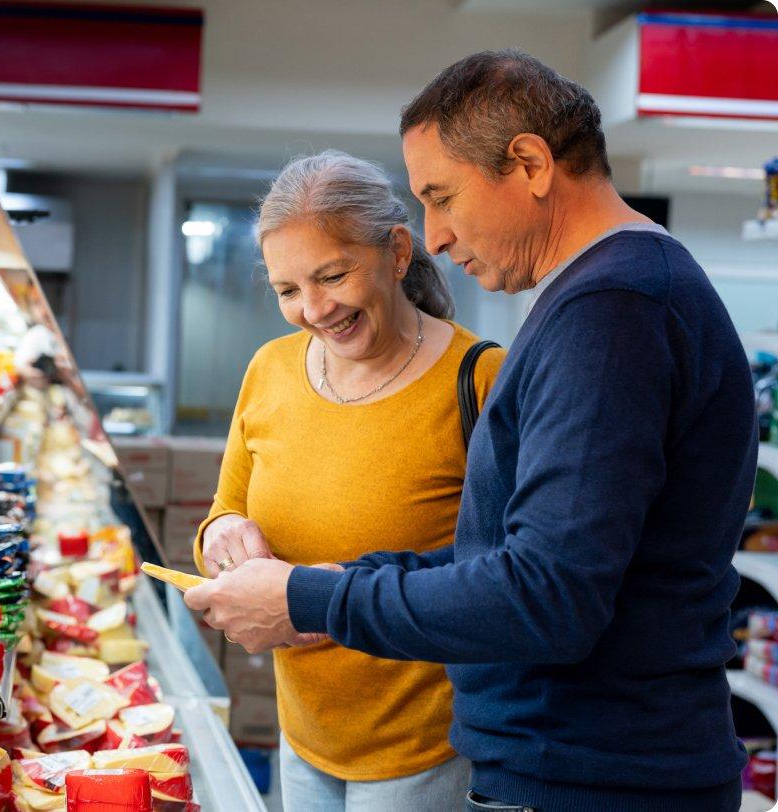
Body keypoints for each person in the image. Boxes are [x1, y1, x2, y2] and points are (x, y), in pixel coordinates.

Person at [185, 49, 756, 812]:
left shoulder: (613, 315)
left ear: (530, 164)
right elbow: (512, 556)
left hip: (591, 778)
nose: (438, 237)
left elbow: (545, 596)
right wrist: (320, 585)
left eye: (442, 197)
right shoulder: (608, 300)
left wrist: (312, 600)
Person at [193, 150, 505, 811]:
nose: (313, 309)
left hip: (426, 749)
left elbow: (504, 575)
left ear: (397, 253)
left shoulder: (481, 380)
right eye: (287, 290)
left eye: (332, 275)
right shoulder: (270, 369)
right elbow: (223, 512)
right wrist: (222, 537)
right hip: (302, 737)